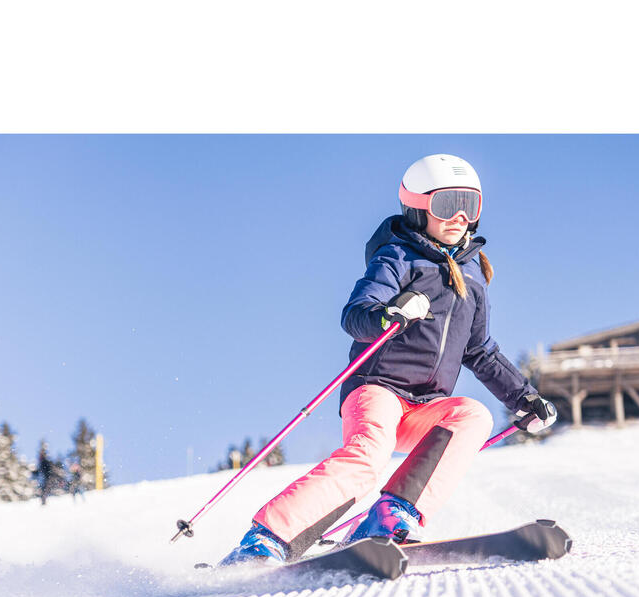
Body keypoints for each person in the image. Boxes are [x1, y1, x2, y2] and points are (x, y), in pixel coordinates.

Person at [220, 154, 556, 566]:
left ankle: (392, 515)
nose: (460, 216)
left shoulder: (473, 279)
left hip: (425, 407)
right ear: (417, 209)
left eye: (471, 204)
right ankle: (266, 539)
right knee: (368, 457)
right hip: (377, 390)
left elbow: (480, 351)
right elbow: (354, 314)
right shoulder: (396, 257)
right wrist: (387, 313)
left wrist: (524, 398)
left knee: (472, 415)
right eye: (447, 205)